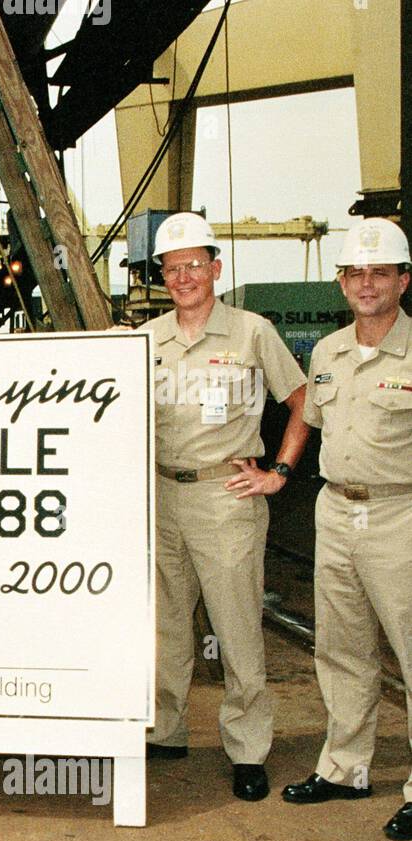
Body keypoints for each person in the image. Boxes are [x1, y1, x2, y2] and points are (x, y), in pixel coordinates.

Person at [144, 212, 309, 801]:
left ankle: (247, 749)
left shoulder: (252, 332)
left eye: (194, 265)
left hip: (227, 497)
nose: (184, 276)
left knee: (235, 625)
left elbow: (302, 399)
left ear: (216, 268)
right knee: (165, 625)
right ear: (161, 276)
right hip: (161, 494)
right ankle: (166, 729)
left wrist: (280, 472)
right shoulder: (148, 340)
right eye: (172, 268)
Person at [282, 217, 412, 840]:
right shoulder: (329, 351)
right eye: (355, 273)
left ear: (403, 280)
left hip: (401, 514)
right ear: (341, 282)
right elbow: (311, 421)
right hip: (335, 511)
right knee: (341, 647)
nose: (366, 284)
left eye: (379, 272)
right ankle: (343, 767)